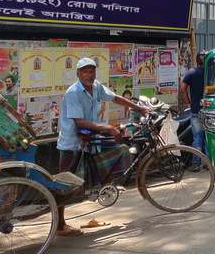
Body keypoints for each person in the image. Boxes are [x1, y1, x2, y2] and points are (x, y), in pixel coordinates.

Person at [56, 58, 149, 237]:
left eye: (92, 71)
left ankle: (105, 187)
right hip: (72, 145)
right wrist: (108, 128)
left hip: (90, 141)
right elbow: (80, 122)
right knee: (63, 185)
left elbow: (115, 98)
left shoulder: (97, 87)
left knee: (122, 151)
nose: (89, 75)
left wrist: (138, 107)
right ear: (78, 74)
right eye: (85, 72)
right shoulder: (73, 92)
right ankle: (60, 224)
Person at [180, 51, 208, 167]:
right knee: (208, 139)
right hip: (210, 110)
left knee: (197, 138)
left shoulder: (191, 72)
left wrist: (188, 102)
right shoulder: (211, 72)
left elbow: (183, 88)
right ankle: (208, 164)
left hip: (196, 110)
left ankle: (196, 164)